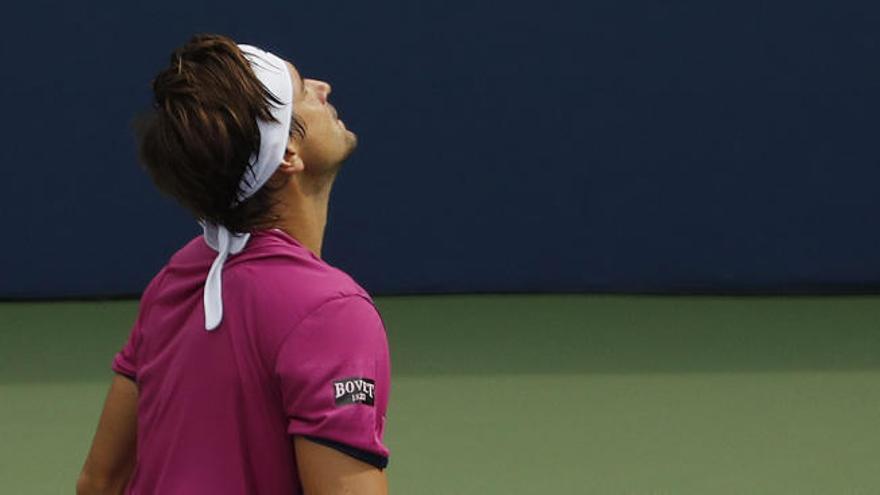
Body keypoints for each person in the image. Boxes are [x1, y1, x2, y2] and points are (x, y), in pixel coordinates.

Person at [76, 34, 391, 495]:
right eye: (304, 92)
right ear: (287, 154)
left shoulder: (176, 277)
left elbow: (99, 482)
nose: (323, 88)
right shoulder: (332, 312)